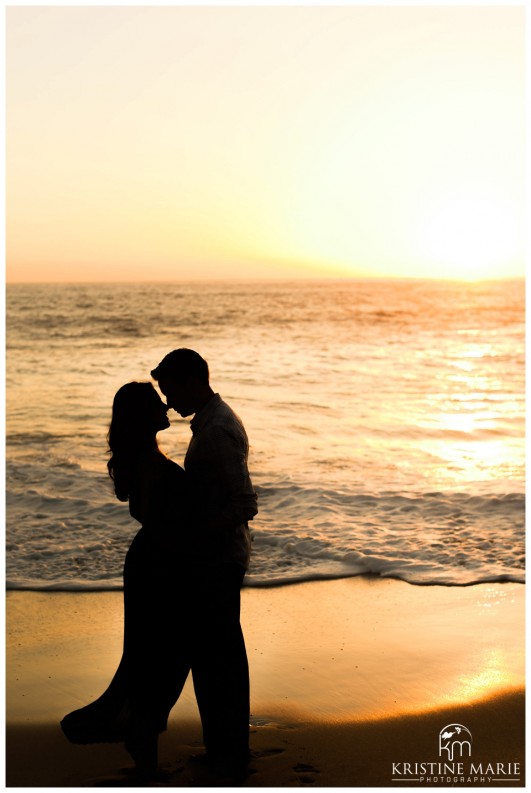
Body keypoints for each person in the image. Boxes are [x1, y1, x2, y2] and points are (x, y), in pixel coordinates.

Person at [61, 382, 194, 780]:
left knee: (152, 659)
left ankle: (141, 740)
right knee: (160, 660)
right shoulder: (151, 466)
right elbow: (159, 524)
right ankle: (142, 743)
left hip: (151, 565)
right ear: (141, 416)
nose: (166, 407)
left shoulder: (145, 459)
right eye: (157, 404)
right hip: (159, 570)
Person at [150, 348, 258, 781]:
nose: (169, 401)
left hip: (219, 560)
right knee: (220, 656)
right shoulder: (212, 422)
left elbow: (244, 503)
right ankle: (228, 746)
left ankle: (229, 750)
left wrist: (197, 532)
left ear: (193, 380)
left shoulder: (217, 431)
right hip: (218, 557)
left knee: (219, 659)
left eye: (170, 389)